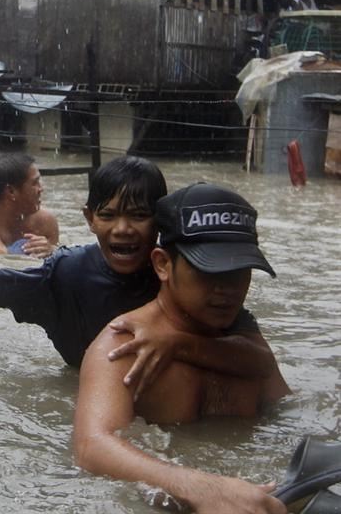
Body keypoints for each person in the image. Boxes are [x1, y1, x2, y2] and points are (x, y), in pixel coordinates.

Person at [0, 156, 275, 383]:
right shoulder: (66, 272)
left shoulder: (184, 277)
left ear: (161, 224)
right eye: (108, 215)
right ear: (89, 219)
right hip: (84, 382)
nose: (122, 229)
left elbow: (259, 361)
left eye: (139, 216)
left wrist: (178, 343)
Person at [74, 182, 290, 514]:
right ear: (162, 264)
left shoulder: (248, 347)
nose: (227, 289)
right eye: (208, 269)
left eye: (239, 270)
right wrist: (198, 487)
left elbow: (288, 414)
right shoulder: (122, 344)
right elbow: (92, 447)